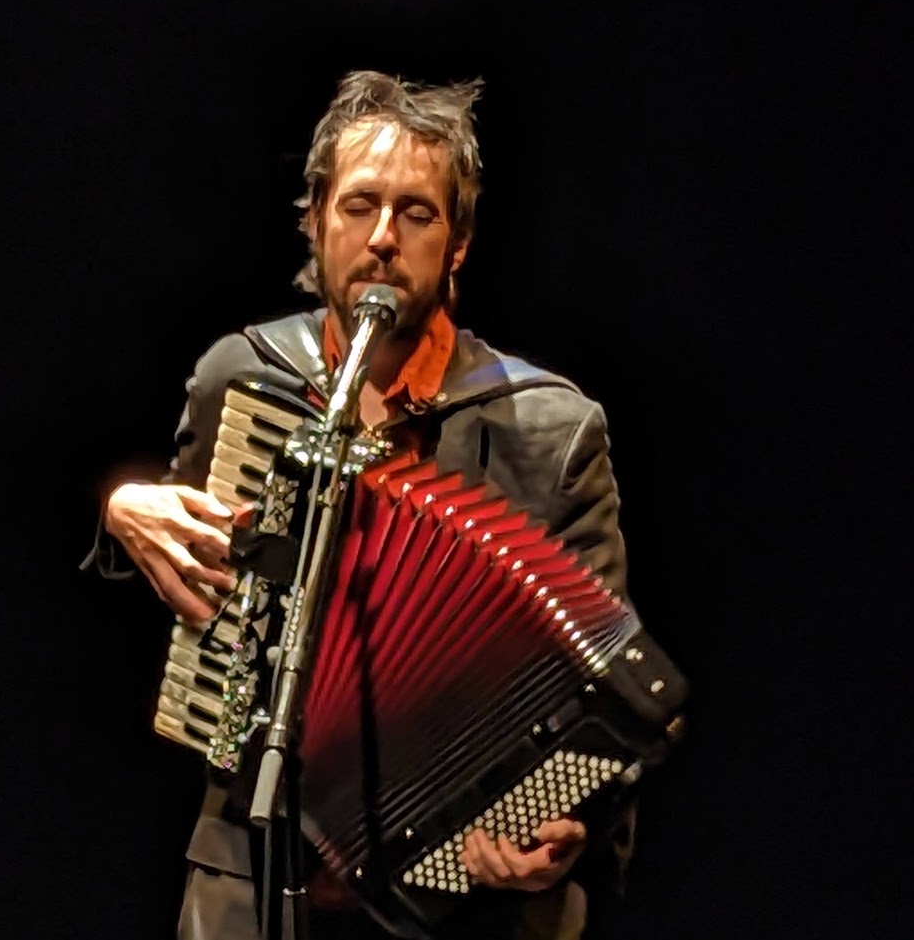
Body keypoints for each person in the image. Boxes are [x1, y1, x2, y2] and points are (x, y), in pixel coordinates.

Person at [85, 70, 644, 940]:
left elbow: (608, 695)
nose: (382, 237)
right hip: (251, 879)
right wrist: (123, 511)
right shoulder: (246, 381)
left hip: (468, 903)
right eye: (358, 205)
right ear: (315, 220)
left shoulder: (549, 430)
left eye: (416, 213)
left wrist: (559, 829)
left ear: (457, 245)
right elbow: (179, 597)